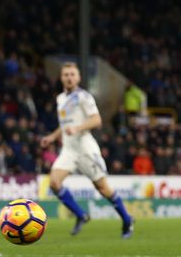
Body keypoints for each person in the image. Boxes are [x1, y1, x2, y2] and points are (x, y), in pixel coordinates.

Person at [40, 62, 134, 238]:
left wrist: (78, 128)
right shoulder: (61, 99)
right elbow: (64, 124)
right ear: (61, 78)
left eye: (72, 74)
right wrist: (52, 137)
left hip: (85, 150)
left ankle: (127, 219)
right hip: (68, 150)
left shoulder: (84, 97)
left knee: (103, 189)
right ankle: (81, 215)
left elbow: (97, 120)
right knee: (54, 183)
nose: (69, 77)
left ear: (78, 77)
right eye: (66, 74)